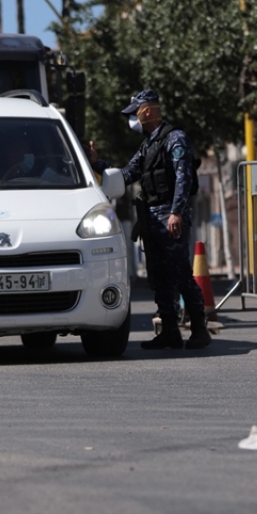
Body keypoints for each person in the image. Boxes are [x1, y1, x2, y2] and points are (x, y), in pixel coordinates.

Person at [89, 89, 210, 350]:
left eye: (135, 113)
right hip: (152, 218)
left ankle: (200, 329)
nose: (133, 119)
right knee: (159, 275)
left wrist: (176, 212)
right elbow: (126, 174)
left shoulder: (175, 139)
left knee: (180, 273)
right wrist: (98, 165)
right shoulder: (147, 146)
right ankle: (169, 331)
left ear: (147, 110)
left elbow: (183, 177)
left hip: (170, 215)